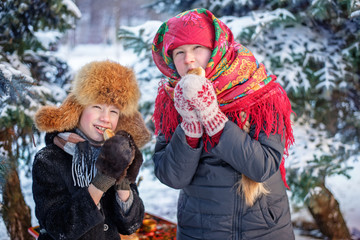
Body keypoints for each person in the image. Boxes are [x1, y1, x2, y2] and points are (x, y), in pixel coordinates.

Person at [151, 8, 295, 240]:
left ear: (215, 49)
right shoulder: (171, 102)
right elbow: (172, 177)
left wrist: (211, 116)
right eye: (179, 52)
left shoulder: (261, 93)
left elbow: (263, 167)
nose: (189, 59)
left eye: (197, 48)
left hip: (263, 229)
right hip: (200, 230)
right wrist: (189, 124)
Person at [32, 60, 151, 240]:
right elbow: (59, 228)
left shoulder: (118, 154)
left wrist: (122, 179)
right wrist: (103, 179)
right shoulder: (49, 159)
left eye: (114, 111)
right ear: (79, 109)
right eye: (97, 107)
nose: (105, 118)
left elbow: (130, 225)